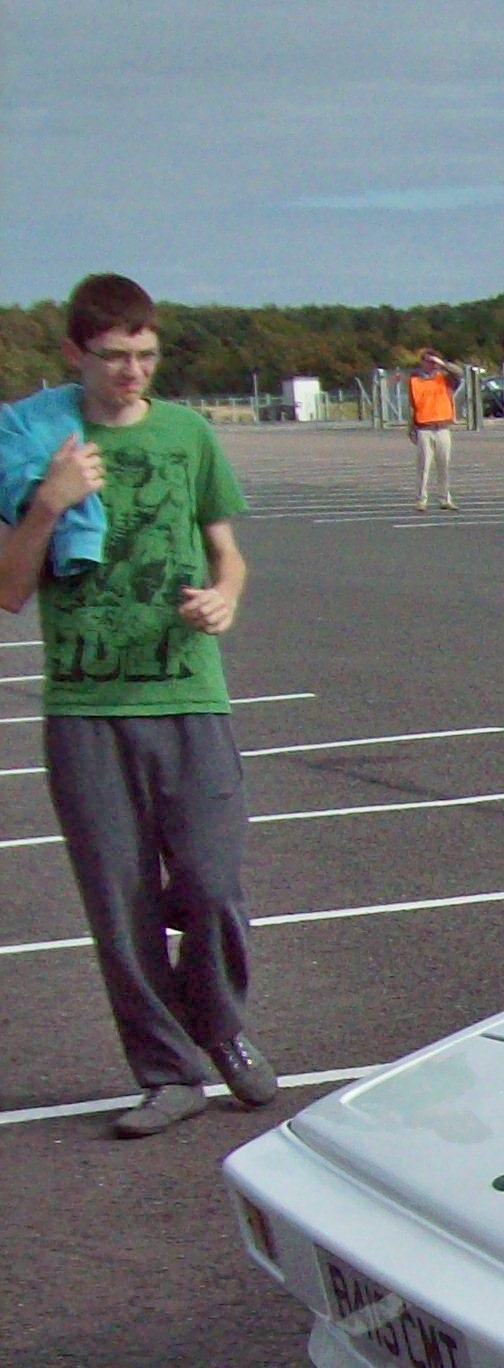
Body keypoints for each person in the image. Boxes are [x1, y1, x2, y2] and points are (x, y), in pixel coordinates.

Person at [0, 273, 271, 1139]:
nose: (132, 373)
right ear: (75, 354)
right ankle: (168, 1073)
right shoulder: (38, 443)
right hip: (87, 710)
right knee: (121, 908)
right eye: (115, 357)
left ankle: (219, 1026)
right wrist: (50, 503)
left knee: (213, 887)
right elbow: (10, 590)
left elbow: (229, 554)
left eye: (146, 355)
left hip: (188, 695)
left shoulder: (187, 434)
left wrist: (226, 598)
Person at [405, 347, 461, 510]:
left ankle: (445, 499)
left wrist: (442, 364)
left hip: (442, 427)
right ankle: (421, 500)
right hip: (424, 428)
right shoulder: (415, 380)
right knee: (424, 466)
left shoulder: (445, 378)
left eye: (433, 361)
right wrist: (411, 428)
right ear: (422, 362)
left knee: (444, 465)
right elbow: (413, 406)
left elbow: (459, 373)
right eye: (428, 361)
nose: (431, 364)